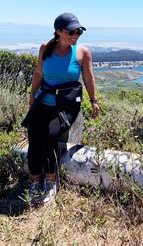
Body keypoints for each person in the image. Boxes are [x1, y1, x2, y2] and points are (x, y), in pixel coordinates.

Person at [25, 12, 100, 205]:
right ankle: (35, 182)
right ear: (58, 31)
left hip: (65, 105)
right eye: (71, 31)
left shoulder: (82, 53)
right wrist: (32, 95)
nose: (76, 35)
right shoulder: (46, 48)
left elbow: (88, 78)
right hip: (44, 100)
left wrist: (93, 101)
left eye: (79, 31)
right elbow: (39, 73)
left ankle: (51, 182)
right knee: (33, 137)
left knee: (49, 137)